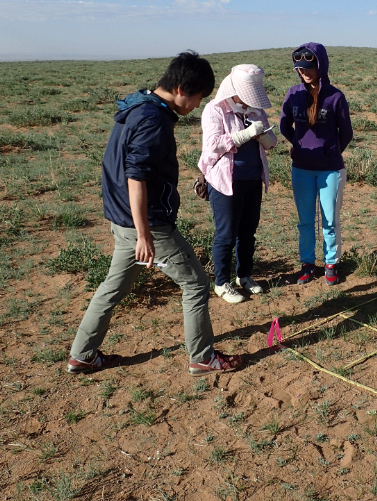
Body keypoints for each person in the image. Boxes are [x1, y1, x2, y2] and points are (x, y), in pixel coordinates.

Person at [66, 51, 244, 377]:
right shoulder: (153, 120)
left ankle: (82, 354)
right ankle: (203, 358)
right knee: (195, 284)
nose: (195, 106)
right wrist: (145, 234)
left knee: (112, 288)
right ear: (180, 88)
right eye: (196, 98)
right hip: (147, 225)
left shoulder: (138, 106)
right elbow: (137, 175)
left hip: (122, 220)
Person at [196, 64, 277, 304]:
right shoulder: (214, 110)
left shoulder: (255, 110)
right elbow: (212, 144)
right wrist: (245, 134)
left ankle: (245, 276)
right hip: (225, 182)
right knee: (226, 234)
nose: (248, 100)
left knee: (248, 233)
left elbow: (271, 143)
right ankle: (221, 282)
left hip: (253, 179)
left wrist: (262, 135)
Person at [279, 43, 353, 286]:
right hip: (301, 168)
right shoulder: (293, 94)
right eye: (300, 68)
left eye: (309, 67)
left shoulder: (335, 96)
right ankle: (308, 264)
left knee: (330, 220)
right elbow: (283, 125)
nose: (304, 72)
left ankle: (331, 263)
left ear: (320, 65)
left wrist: (329, 152)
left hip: (330, 169)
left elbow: (346, 133)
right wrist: (298, 145)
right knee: (305, 220)